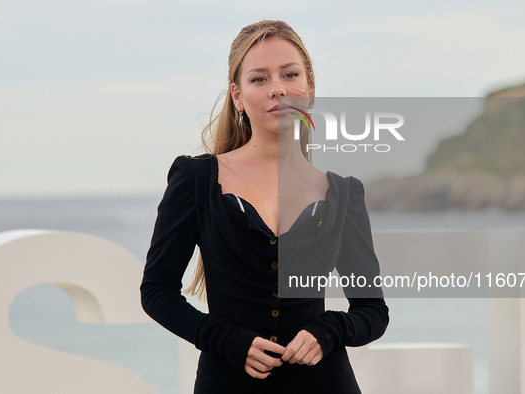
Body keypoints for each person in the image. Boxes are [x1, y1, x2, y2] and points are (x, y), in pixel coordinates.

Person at [140, 20, 389, 393]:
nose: (278, 89)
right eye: (259, 79)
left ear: (309, 88)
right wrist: (224, 338)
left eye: (290, 74)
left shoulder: (343, 193)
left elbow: (373, 310)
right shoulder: (196, 179)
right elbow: (157, 291)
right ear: (238, 96)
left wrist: (331, 330)